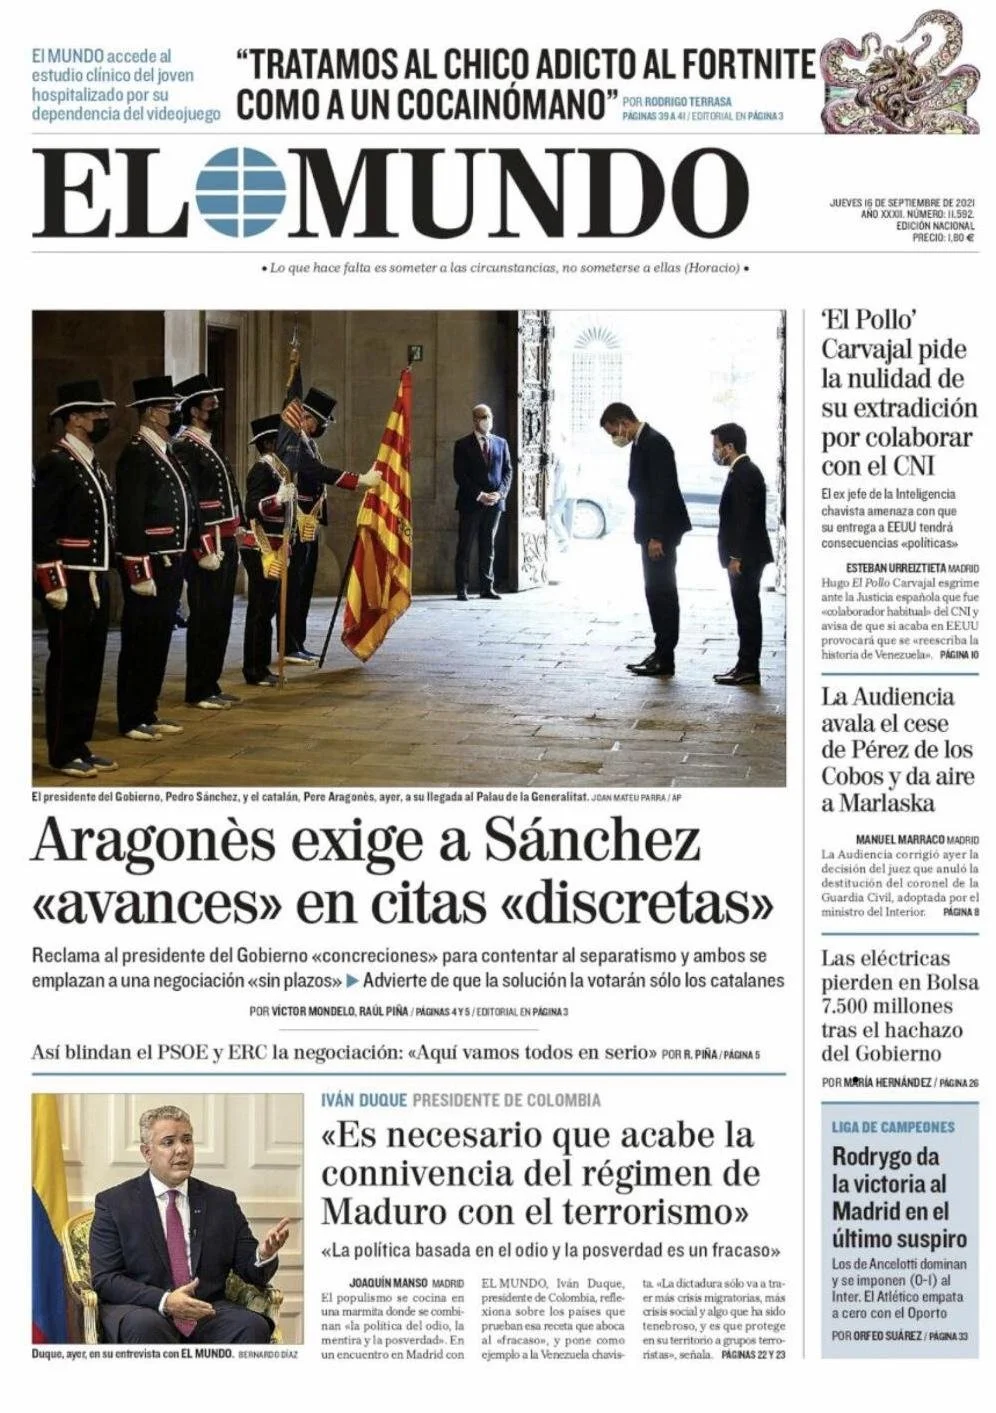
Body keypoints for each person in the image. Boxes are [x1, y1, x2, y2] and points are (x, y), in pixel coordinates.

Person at [90, 1104, 290, 1344]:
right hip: (145, 1308)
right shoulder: (114, 1203)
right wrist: (165, 1301)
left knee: (251, 1326)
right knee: (144, 1326)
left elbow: (250, 1270)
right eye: (168, 1142)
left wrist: (264, 1254)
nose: (181, 1149)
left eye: (187, 1140)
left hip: (206, 1309)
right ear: (147, 1152)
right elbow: (105, 1278)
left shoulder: (221, 1201)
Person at [33, 379, 118, 777]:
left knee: (90, 664)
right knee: (67, 665)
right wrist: (53, 581)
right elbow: (41, 527)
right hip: (69, 579)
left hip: (95, 577)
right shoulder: (56, 462)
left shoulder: (90, 462)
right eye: (96, 412)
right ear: (75, 418)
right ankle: (63, 750)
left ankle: (80, 742)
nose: (103, 418)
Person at [115, 375, 207, 742]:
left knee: (158, 641)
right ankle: (131, 716)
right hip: (150, 562)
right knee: (139, 641)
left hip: (172, 559)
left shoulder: (163, 451)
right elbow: (131, 515)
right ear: (152, 413)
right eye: (169, 408)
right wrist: (137, 568)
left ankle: (147, 711)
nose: (175, 414)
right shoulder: (137, 452)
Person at [276, 386, 381, 661]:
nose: (321, 428)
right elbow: (315, 471)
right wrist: (357, 480)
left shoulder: (308, 442)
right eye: (319, 422)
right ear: (305, 418)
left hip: (310, 523)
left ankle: (296, 643)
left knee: (305, 586)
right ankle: (287, 646)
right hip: (296, 524)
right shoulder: (292, 443)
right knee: (295, 587)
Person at [599, 402, 691, 676]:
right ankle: (660, 650)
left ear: (623, 422)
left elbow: (662, 492)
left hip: (659, 533)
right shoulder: (641, 443)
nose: (614, 437)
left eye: (612, 431)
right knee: (654, 591)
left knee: (662, 591)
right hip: (650, 530)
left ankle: (666, 656)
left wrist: (657, 537)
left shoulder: (655, 443)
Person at [171, 373, 244, 710]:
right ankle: (198, 687)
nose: (216, 406)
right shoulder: (185, 445)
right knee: (205, 617)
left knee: (221, 616)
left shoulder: (207, 442)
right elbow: (190, 498)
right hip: (208, 543)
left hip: (225, 539)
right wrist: (200, 547)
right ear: (193, 410)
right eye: (209, 401)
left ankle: (211, 684)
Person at [711, 422, 774, 686]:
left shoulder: (745, 473)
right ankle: (744, 664)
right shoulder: (741, 471)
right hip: (745, 555)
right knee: (744, 611)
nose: (715, 453)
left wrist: (736, 556)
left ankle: (748, 668)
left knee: (747, 612)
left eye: (717, 447)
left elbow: (744, 519)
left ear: (729, 446)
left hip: (745, 557)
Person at [240, 413, 294, 686]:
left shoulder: (280, 471)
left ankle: (261, 665)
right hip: (260, 546)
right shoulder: (262, 469)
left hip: (276, 545)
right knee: (260, 609)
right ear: (271, 443)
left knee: (268, 607)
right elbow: (251, 509)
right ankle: (254, 668)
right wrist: (276, 500)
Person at [453, 402, 513, 601]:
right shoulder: (462, 445)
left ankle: (487, 587)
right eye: (484, 417)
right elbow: (460, 476)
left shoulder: (501, 443)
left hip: (495, 504)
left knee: (488, 546)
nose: (488, 421)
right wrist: (480, 495)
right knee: (465, 546)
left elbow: (507, 471)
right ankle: (462, 588)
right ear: (475, 420)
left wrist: (500, 493)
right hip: (471, 503)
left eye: (490, 417)